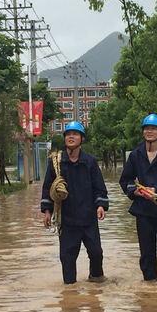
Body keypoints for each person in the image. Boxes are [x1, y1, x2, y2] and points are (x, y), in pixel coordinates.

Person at [41, 121, 109, 284]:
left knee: (96, 252)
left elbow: (99, 187)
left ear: (82, 139)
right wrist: (47, 211)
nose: (71, 137)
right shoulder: (56, 162)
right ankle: (70, 292)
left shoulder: (90, 162)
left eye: (75, 134)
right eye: (68, 134)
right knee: (67, 257)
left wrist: (100, 205)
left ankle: (96, 280)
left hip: (88, 218)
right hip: (67, 219)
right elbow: (47, 188)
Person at [119, 113, 157, 281]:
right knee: (146, 252)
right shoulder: (135, 155)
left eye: (153, 129)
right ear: (143, 132)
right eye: (147, 128)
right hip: (144, 210)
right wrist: (135, 191)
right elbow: (125, 180)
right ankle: (150, 286)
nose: (150, 131)